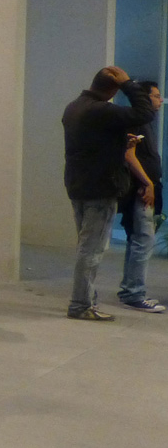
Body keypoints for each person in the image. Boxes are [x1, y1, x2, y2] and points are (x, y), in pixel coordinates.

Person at [62, 66, 155, 321]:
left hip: (79, 185)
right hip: (100, 188)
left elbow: (92, 145)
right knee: (91, 251)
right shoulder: (101, 110)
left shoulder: (74, 107)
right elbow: (145, 113)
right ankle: (80, 304)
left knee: (85, 246)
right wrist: (128, 84)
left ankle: (86, 300)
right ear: (113, 89)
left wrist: (121, 143)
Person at [118, 80, 164, 311]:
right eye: (156, 96)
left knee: (139, 239)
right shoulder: (136, 121)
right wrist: (147, 182)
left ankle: (130, 289)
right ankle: (134, 292)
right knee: (143, 238)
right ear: (144, 98)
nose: (160, 100)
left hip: (148, 186)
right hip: (141, 190)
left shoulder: (147, 123)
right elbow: (129, 155)